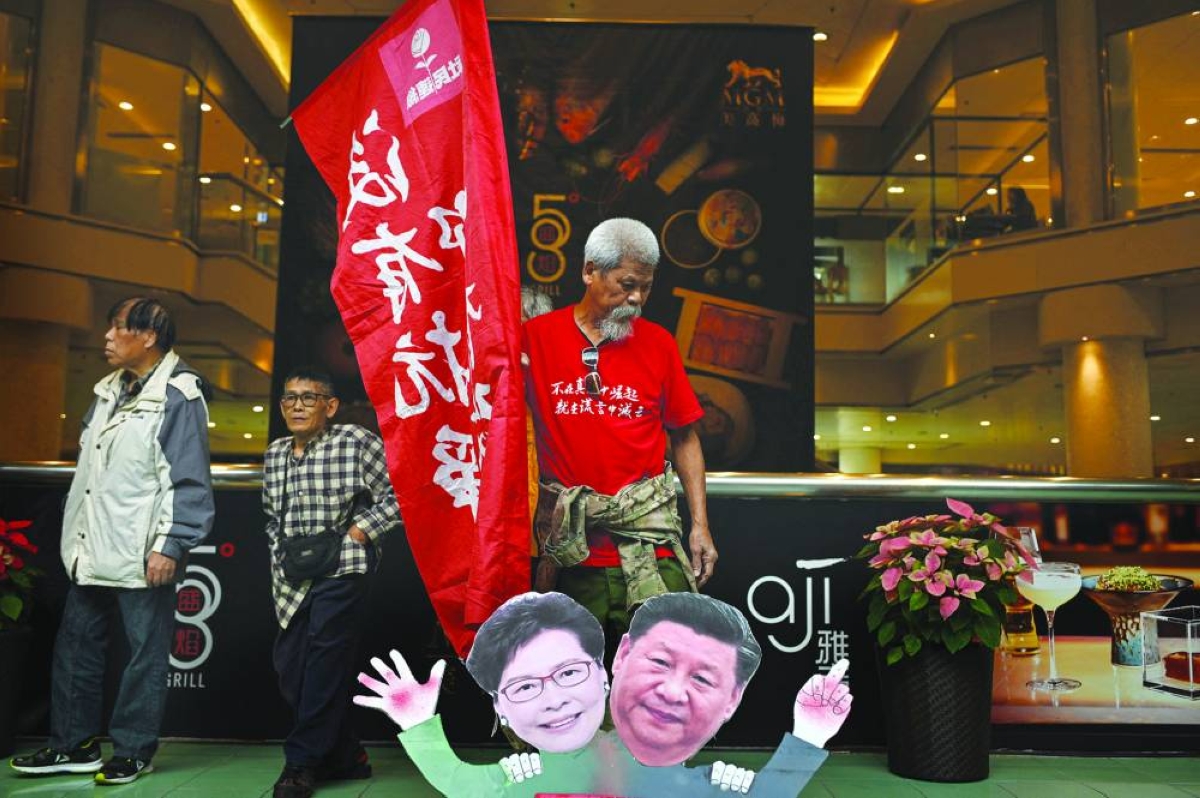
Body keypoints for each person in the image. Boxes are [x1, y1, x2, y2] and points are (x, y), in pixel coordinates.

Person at [355, 591, 850, 798]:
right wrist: (417, 724)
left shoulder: (689, 780)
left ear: (601, 673)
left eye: (570, 673)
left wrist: (808, 737)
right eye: (525, 686)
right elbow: (462, 785)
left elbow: (768, 794)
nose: (554, 699)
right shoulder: (529, 774)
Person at [10, 297, 214, 785]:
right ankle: (73, 745)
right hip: (91, 545)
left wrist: (171, 544)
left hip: (143, 550)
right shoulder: (107, 390)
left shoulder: (179, 394)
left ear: (148, 336)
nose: (106, 336)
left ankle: (133, 750)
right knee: (76, 648)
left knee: (145, 655)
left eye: (118, 327)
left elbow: (188, 480)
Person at [523, 217, 716, 655]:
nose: (636, 299)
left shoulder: (659, 344)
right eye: (627, 285)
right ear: (589, 271)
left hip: (649, 543)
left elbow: (685, 438)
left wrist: (700, 525)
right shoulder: (535, 339)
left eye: (645, 287)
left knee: (661, 670)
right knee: (573, 676)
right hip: (570, 548)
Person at [263, 366, 403, 798]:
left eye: (309, 397)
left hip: (343, 566)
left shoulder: (355, 442)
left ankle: (301, 764)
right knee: (292, 670)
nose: (298, 405)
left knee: (325, 662)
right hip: (292, 577)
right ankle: (346, 755)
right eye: (290, 398)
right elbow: (271, 517)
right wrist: (279, 554)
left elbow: (401, 491)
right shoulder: (275, 453)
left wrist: (362, 530)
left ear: (330, 406)